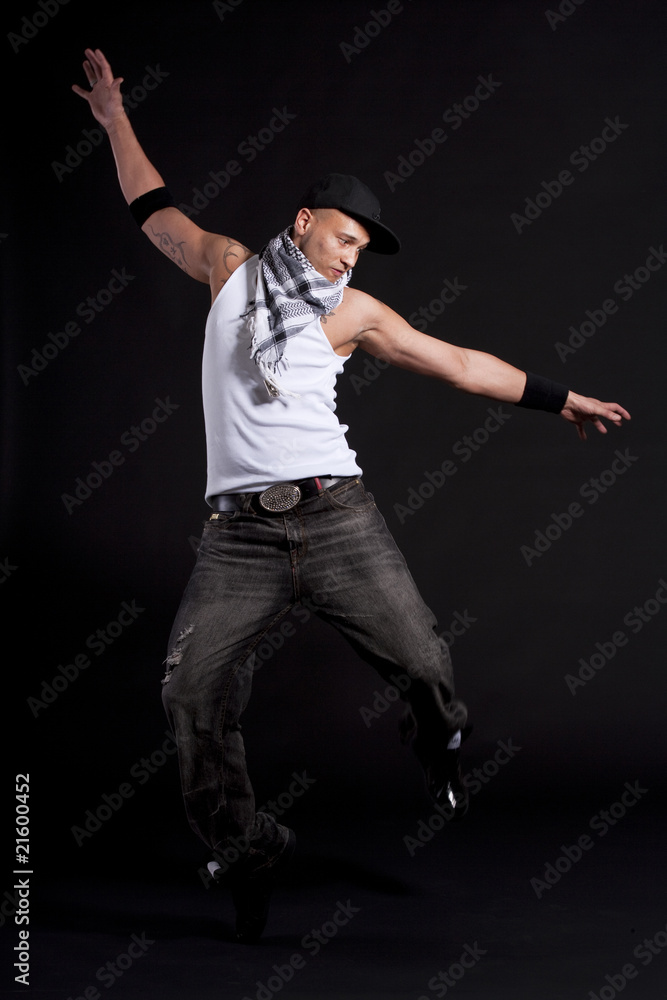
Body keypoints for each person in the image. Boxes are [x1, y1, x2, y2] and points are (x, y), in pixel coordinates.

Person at [73, 48, 630, 943]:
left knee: (426, 667)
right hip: (239, 540)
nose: (349, 257)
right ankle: (248, 848)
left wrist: (559, 398)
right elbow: (151, 208)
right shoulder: (228, 269)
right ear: (304, 222)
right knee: (190, 695)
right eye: (343, 239)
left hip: (337, 517)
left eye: (361, 251)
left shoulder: (353, 313)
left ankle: (437, 742)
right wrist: (113, 121)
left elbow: (457, 364)